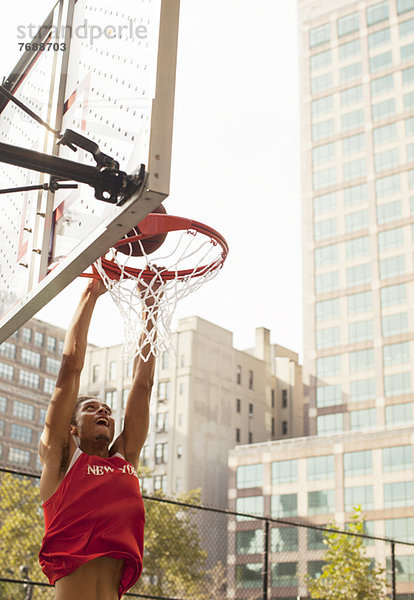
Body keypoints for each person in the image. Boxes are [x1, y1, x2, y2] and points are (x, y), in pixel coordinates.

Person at [38, 277, 157, 600]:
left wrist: (151, 307)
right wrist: (92, 292)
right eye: (91, 408)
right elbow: (70, 369)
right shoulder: (61, 457)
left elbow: (142, 385)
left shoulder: (125, 462)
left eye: (106, 408)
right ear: (72, 427)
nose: (103, 410)